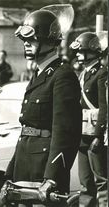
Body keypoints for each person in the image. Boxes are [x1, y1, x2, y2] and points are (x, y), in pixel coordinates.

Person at [4, 10, 82, 206]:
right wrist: (11, 171)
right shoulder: (39, 75)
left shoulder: (63, 76)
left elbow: (65, 132)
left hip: (44, 173)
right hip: (24, 168)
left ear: (49, 42)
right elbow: (26, 130)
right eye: (24, 40)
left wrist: (52, 177)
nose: (26, 45)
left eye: (31, 40)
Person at [70, 32, 107, 207]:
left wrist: (99, 135)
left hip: (94, 136)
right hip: (82, 134)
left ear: (90, 51)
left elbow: (104, 106)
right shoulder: (83, 74)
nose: (77, 55)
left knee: (101, 181)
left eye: (80, 51)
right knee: (85, 182)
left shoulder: (102, 74)